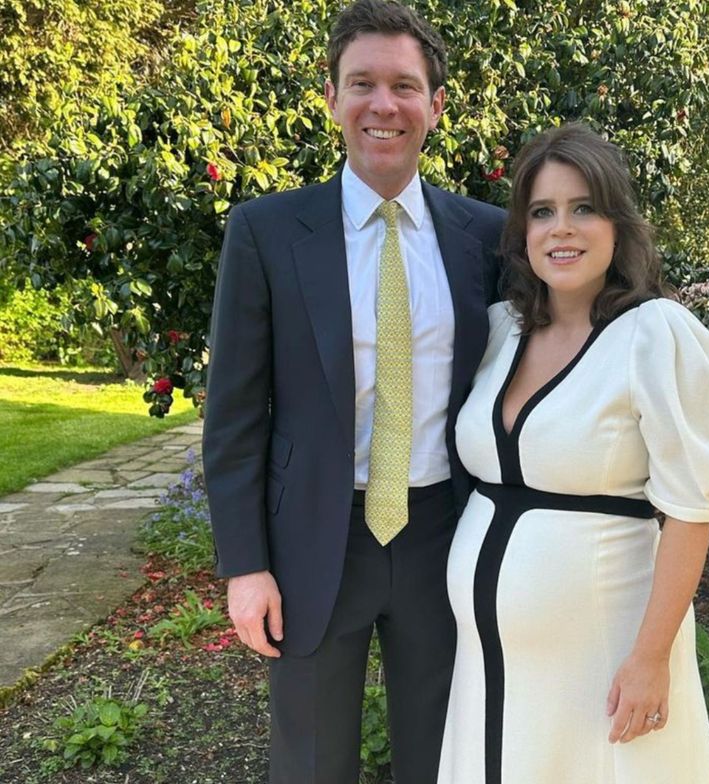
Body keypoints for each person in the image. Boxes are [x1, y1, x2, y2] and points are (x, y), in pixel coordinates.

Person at [201, 1, 504, 782]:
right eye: (361, 82)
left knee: (443, 756)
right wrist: (244, 566)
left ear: (436, 105)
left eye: (404, 85)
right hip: (313, 538)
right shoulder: (265, 232)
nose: (383, 105)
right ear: (332, 97)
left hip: (446, 532)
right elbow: (234, 416)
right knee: (310, 763)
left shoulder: (487, 237)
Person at [436, 123, 709, 784]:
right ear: (523, 232)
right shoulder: (500, 331)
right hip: (491, 666)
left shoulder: (653, 335)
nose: (562, 229)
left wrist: (650, 658)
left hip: (605, 660)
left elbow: (694, 510)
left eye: (584, 208)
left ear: (618, 225)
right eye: (543, 212)